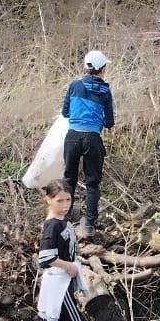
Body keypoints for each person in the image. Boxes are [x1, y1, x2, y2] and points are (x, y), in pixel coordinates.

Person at [37, 180, 92, 321]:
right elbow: (45, 257)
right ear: (49, 200)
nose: (65, 204)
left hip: (59, 281)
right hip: (60, 283)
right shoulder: (52, 224)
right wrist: (68, 266)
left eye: (68, 199)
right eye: (59, 200)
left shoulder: (60, 220)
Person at [62, 49, 114, 239]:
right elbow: (109, 122)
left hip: (72, 136)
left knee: (69, 179)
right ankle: (89, 224)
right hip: (92, 138)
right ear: (102, 69)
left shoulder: (74, 85)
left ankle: (65, 218)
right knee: (92, 182)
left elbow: (65, 112)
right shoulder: (105, 90)